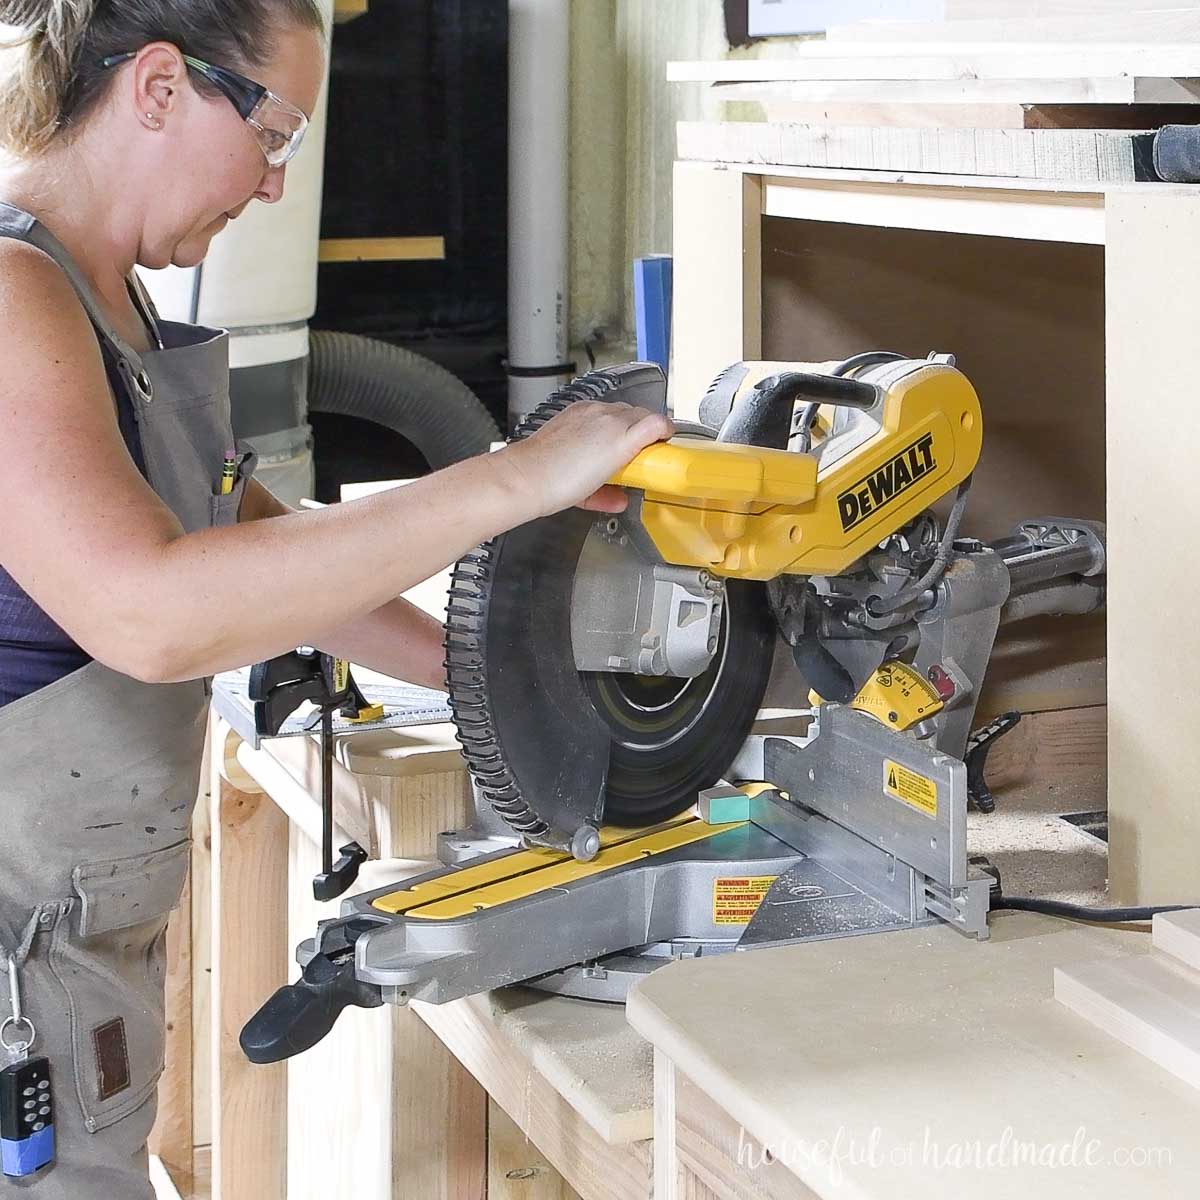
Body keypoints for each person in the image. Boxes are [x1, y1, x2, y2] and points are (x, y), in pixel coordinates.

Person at [0, 2, 673, 1194]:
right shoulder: (11, 294)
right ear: (159, 86)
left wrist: (508, 677)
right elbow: (150, 613)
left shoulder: (111, 300)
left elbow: (263, 550)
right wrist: (512, 480)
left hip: (70, 932)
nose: (271, 186)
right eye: (275, 136)